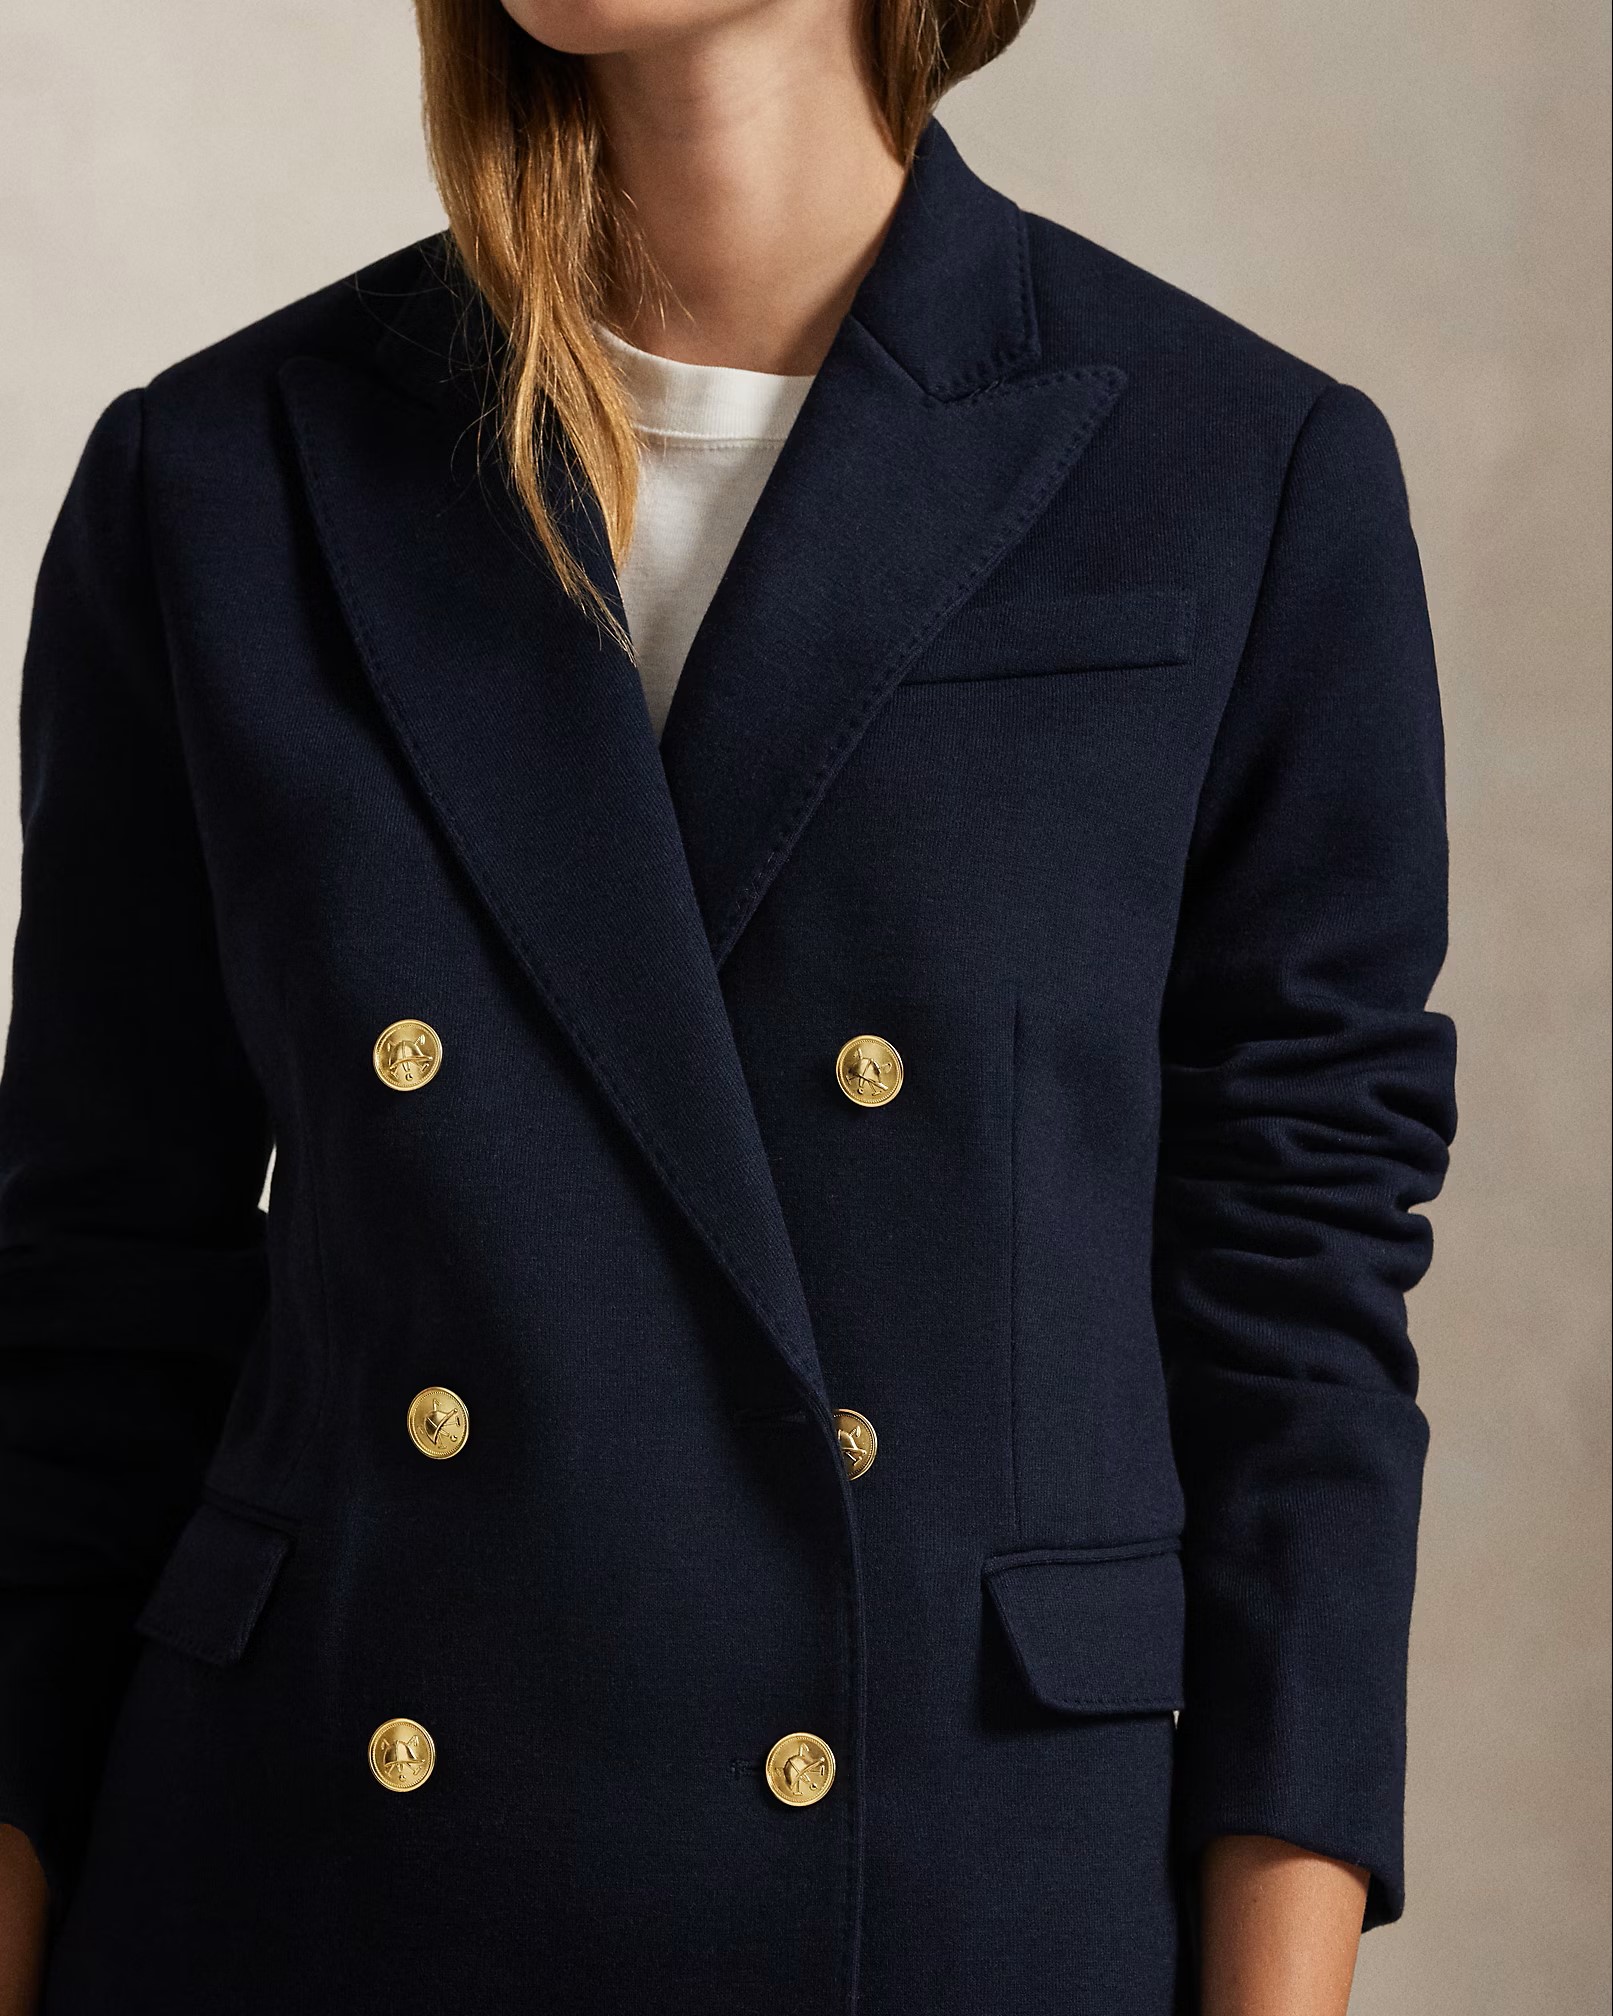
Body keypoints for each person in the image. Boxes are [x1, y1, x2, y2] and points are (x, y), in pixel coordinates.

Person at [0, 1, 1459, 2011]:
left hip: (953, 1888)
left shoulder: (1236, 470)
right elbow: (89, 1295)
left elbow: (1294, 1306)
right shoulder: (221, 475)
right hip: (317, 1888)